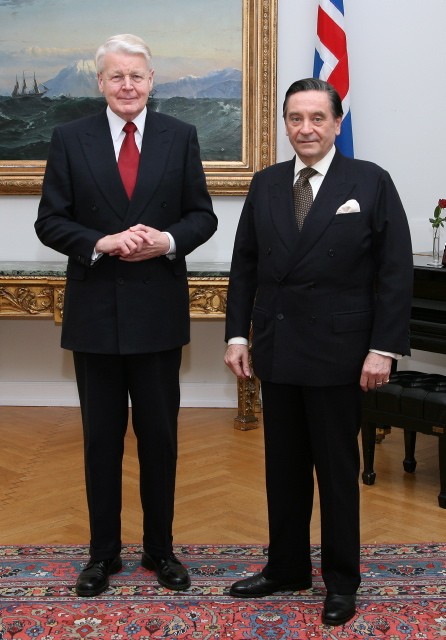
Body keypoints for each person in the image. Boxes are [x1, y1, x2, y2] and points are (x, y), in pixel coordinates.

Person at [224, 78, 413, 626]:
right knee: (283, 470)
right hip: (278, 347)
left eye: (316, 118)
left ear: (336, 123)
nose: (305, 128)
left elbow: (395, 271)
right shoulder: (266, 183)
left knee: (335, 472)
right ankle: (286, 567)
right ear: (285, 124)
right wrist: (238, 335)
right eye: (295, 118)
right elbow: (245, 264)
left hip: (341, 352)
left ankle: (341, 581)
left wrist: (383, 349)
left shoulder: (370, 181)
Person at [35, 33, 217, 597]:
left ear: (151, 80)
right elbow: (49, 221)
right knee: (101, 442)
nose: (128, 85)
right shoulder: (70, 138)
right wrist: (101, 242)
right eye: (117, 76)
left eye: (137, 75)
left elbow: (202, 216)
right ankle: (102, 555)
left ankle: (161, 551)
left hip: (157, 314)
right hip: (96, 316)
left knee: (159, 440)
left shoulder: (180, 136)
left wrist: (166, 240)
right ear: (100, 82)